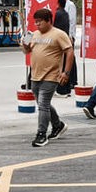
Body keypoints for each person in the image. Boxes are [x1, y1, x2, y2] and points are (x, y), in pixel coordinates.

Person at [20, 8, 73, 147]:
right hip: (35, 75)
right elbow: (26, 51)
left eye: (40, 22)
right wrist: (24, 44)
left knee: (43, 104)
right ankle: (58, 125)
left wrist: (66, 72)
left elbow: (69, 52)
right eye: (36, 22)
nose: (37, 24)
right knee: (44, 104)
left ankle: (41, 134)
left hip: (51, 75)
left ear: (49, 21)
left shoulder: (59, 34)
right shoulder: (33, 34)